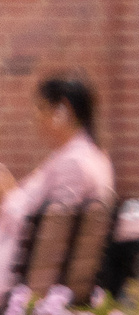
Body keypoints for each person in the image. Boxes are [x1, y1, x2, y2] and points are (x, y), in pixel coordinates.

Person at [0, 74, 115, 294]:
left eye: (41, 107)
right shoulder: (91, 157)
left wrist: (7, 197)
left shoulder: (73, 164)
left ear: (63, 110)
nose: (36, 117)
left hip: (24, 284)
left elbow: (47, 234)